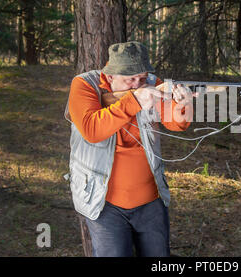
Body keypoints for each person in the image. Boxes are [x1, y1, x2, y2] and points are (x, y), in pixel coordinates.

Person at [64, 41, 196, 257]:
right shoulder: (84, 84)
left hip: (151, 200)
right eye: (130, 80)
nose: (138, 84)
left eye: (142, 78)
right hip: (102, 202)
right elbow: (91, 129)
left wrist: (184, 104)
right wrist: (134, 101)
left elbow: (176, 123)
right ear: (111, 75)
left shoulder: (152, 83)